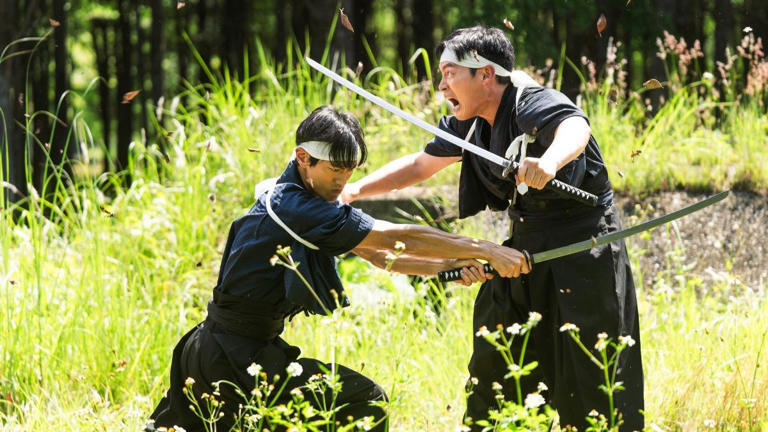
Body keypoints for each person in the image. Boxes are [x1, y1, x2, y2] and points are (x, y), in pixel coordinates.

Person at [147, 105, 530, 432]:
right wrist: (484, 248)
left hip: (220, 350)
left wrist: (451, 265)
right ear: (302, 158)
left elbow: (383, 257)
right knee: (367, 402)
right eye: (335, 169)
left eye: (351, 170)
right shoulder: (295, 208)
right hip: (232, 357)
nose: (344, 180)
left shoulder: (297, 200)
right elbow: (398, 237)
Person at [341, 26, 644, 431]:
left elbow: (575, 126)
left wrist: (549, 162)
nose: (442, 84)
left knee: (592, 382)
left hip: (582, 253)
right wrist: (355, 190)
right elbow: (419, 166)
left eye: (450, 73)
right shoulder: (467, 123)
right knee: (499, 365)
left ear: (485, 74)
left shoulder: (532, 101)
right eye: (441, 74)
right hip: (521, 251)